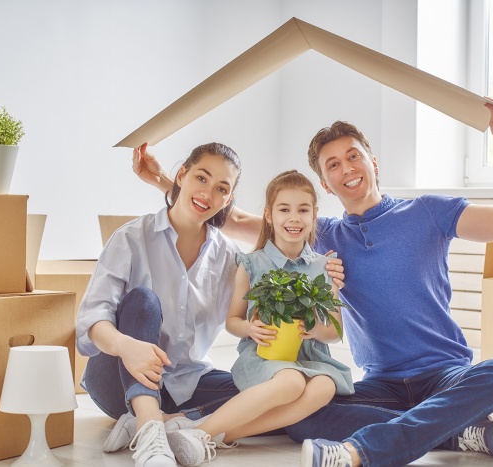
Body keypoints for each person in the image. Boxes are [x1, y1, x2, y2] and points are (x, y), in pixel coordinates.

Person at [134, 99, 493, 466]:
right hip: (380, 384)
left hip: (444, 373)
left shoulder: (429, 212)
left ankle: (360, 452)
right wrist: (162, 182)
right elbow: (236, 219)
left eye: (353, 157)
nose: (346, 168)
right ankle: (454, 430)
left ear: (373, 162)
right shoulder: (320, 233)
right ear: (325, 185)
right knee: (303, 410)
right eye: (333, 165)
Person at [77, 143, 346, 467]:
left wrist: (324, 275)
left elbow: (268, 259)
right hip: (118, 377)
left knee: (264, 394)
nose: (208, 193)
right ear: (181, 175)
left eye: (221, 188)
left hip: (186, 383)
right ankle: (151, 434)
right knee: (143, 300)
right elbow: (92, 318)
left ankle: (179, 425)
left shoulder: (228, 258)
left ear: (228, 199)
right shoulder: (132, 237)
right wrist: (125, 346)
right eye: (201, 178)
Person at [165, 170, 354, 466]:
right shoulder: (252, 264)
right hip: (264, 358)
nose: (294, 218)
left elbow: (335, 331)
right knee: (292, 382)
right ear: (268, 215)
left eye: (303, 210)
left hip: (309, 358)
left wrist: (314, 328)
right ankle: (203, 434)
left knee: (325, 386)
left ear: (314, 215)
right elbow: (232, 321)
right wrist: (250, 328)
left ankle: (213, 433)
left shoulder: (325, 266)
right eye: (284, 209)